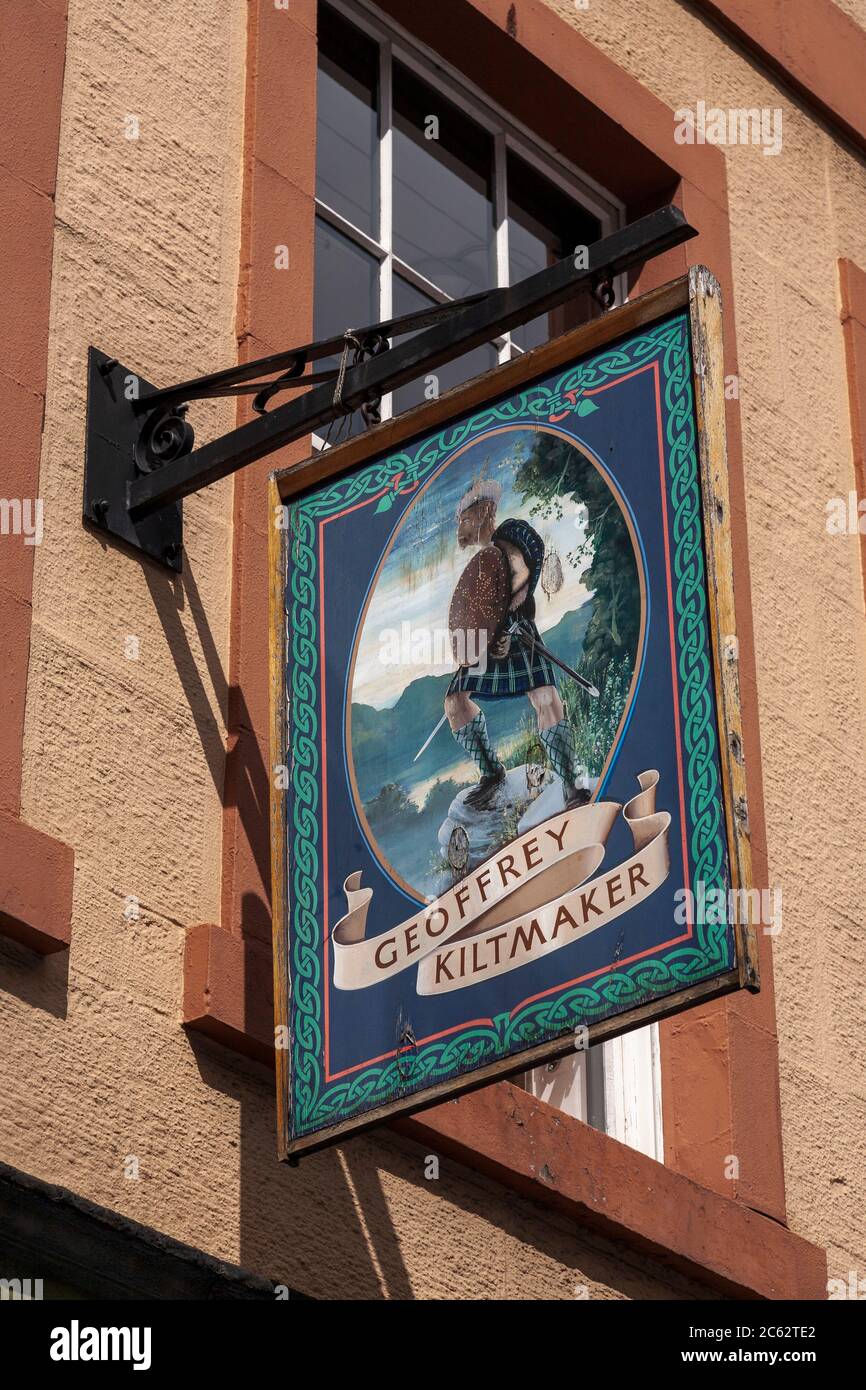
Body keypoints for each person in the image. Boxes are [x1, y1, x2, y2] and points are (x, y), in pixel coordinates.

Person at [445, 478, 589, 811]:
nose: (460, 529)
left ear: (484, 512)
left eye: (464, 520)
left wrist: (505, 633)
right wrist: (481, 638)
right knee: (455, 703)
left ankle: (571, 786)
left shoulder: (510, 540)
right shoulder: (484, 560)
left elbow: (522, 576)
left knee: (544, 698)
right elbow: (477, 607)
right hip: (487, 638)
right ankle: (492, 774)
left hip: (514, 629)